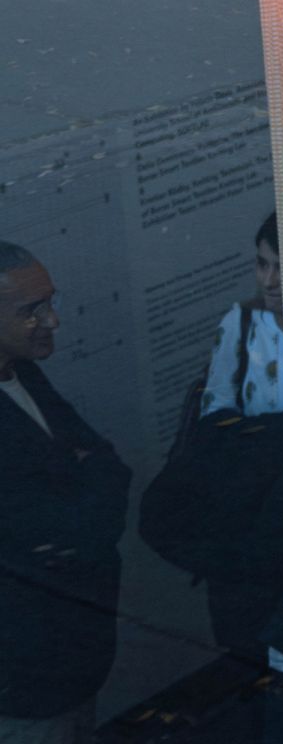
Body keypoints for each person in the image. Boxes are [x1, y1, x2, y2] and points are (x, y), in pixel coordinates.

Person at [0, 242, 130, 743]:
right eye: (32, 311)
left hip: (70, 665)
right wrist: (87, 481)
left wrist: (88, 484)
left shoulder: (24, 371)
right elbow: (68, 525)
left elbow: (111, 470)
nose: (53, 321)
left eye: (49, 302)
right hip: (24, 687)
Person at [192, 216, 283, 680]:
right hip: (256, 518)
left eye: (282, 266)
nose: (269, 280)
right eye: (262, 264)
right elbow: (214, 417)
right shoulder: (240, 323)